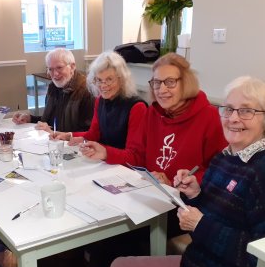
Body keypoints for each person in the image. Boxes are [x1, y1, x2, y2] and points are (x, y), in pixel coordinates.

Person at [105, 76, 265, 267]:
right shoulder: (225, 158)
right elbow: (216, 215)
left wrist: (201, 225)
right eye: (229, 109)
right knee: (118, 266)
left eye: (247, 111)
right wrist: (195, 195)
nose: (233, 118)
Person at [85, 52, 227, 240]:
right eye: (157, 83)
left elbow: (220, 172)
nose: (161, 89)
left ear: (186, 82)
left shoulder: (209, 117)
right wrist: (106, 153)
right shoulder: (153, 113)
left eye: (170, 82)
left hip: (183, 203)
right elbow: (136, 156)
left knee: (122, 236)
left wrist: (174, 181)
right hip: (149, 193)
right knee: (100, 217)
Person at [53, 51, 147, 165]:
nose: (103, 85)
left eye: (109, 79)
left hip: (126, 170)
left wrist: (106, 153)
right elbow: (94, 133)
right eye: (98, 80)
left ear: (122, 79)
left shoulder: (137, 107)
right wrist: (69, 136)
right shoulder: (100, 100)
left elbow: (135, 157)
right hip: (105, 164)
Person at [12, 48, 95, 133]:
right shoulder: (53, 87)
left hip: (71, 144)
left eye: (59, 67)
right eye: (50, 69)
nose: (55, 74)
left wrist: (52, 132)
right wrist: (30, 118)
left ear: (72, 67)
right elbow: (51, 119)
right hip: (53, 141)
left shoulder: (86, 91)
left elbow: (88, 133)